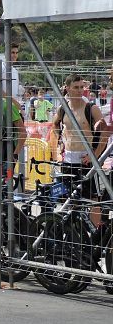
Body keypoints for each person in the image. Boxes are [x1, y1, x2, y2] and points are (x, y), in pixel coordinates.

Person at [54, 74, 107, 226]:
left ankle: (96, 238)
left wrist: (94, 156)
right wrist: (60, 143)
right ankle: (76, 233)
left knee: (92, 199)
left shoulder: (91, 108)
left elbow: (104, 135)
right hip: (68, 159)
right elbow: (55, 124)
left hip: (86, 160)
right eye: (76, 87)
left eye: (82, 87)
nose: (80, 90)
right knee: (70, 198)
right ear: (67, 88)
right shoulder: (62, 109)